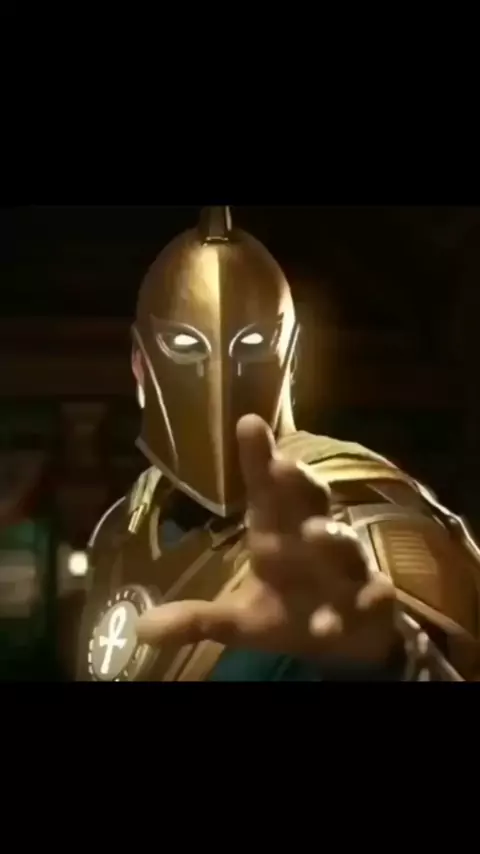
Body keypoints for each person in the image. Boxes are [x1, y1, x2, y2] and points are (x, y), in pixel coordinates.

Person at [77, 207, 480, 682]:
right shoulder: (125, 526)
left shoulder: (365, 519)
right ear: (140, 364)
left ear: (291, 358)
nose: (220, 379)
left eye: (252, 345)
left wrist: (398, 657)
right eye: (185, 346)